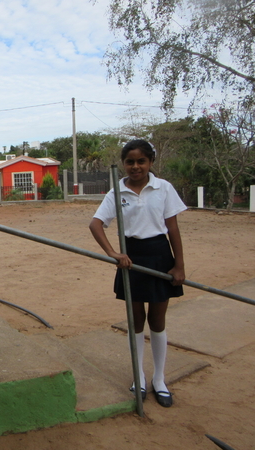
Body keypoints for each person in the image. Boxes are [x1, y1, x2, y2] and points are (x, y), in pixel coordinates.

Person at [89, 139, 186, 407]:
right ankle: (139, 377)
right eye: (130, 162)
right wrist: (113, 253)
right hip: (130, 259)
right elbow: (96, 224)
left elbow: (173, 228)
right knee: (136, 321)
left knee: (157, 320)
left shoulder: (163, 188)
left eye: (141, 161)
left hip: (159, 256)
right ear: (124, 164)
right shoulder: (116, 193)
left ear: (150, 162)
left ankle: (159, 380)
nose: (135, 166)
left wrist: (179, 265)